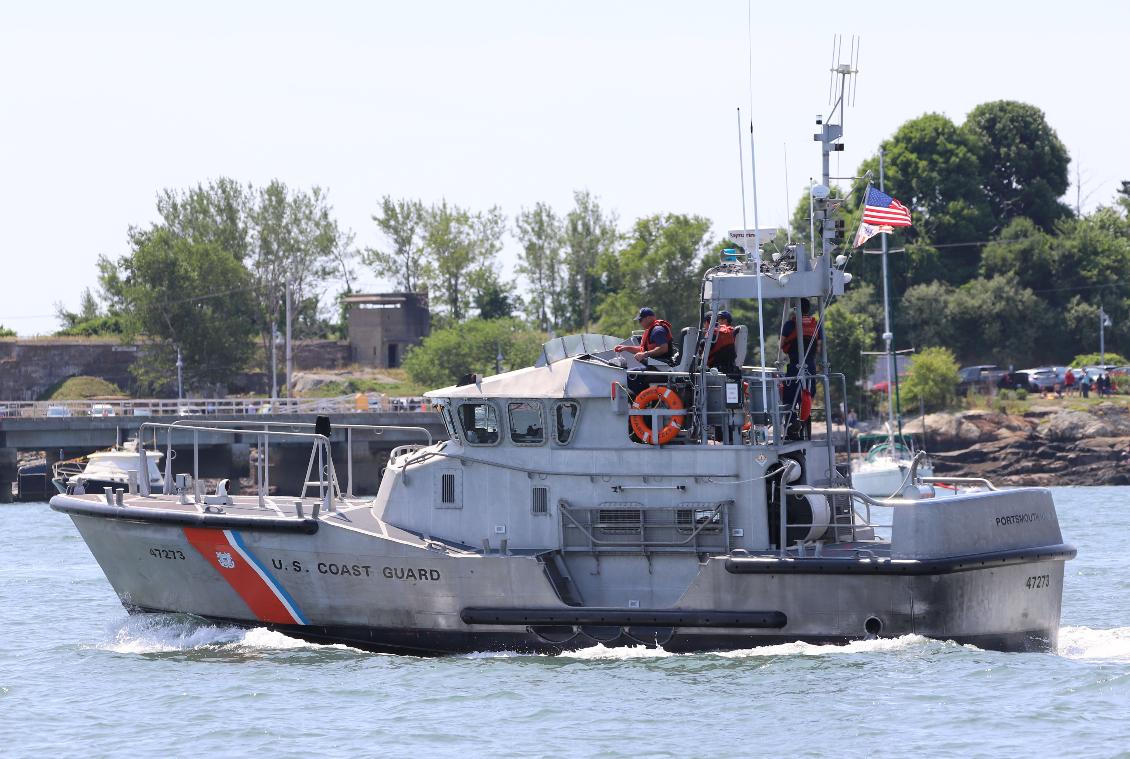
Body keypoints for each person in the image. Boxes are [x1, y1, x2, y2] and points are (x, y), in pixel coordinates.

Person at [780, 299, 822, 409]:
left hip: (794, 366)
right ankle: (806, 422)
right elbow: (818, 349)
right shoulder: (816, 325)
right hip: (811, 367)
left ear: (795, 310)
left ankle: (792, 421)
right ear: (808, 309)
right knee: (809, 393)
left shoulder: (789, 325)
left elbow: (781, 345)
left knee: (790, 397)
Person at [702, 310, 738, 374]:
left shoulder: (714, 333)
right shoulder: (732, 331)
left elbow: (703, 348)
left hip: (714, 370)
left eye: (719, 319)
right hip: (731, 368)